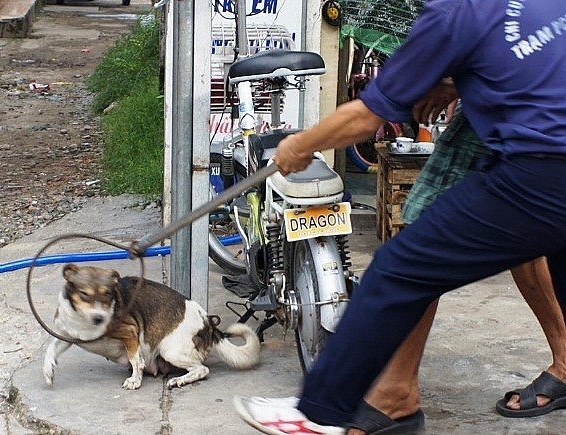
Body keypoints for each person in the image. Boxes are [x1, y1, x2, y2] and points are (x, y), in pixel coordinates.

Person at [233, 1, 566, 433]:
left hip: (541, 170)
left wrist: (300, 145)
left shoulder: (454, 12)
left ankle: (319, 410)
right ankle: (396, 398)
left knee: (397, 270)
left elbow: (368, 115)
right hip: (539, 165)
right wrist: (458, 79)